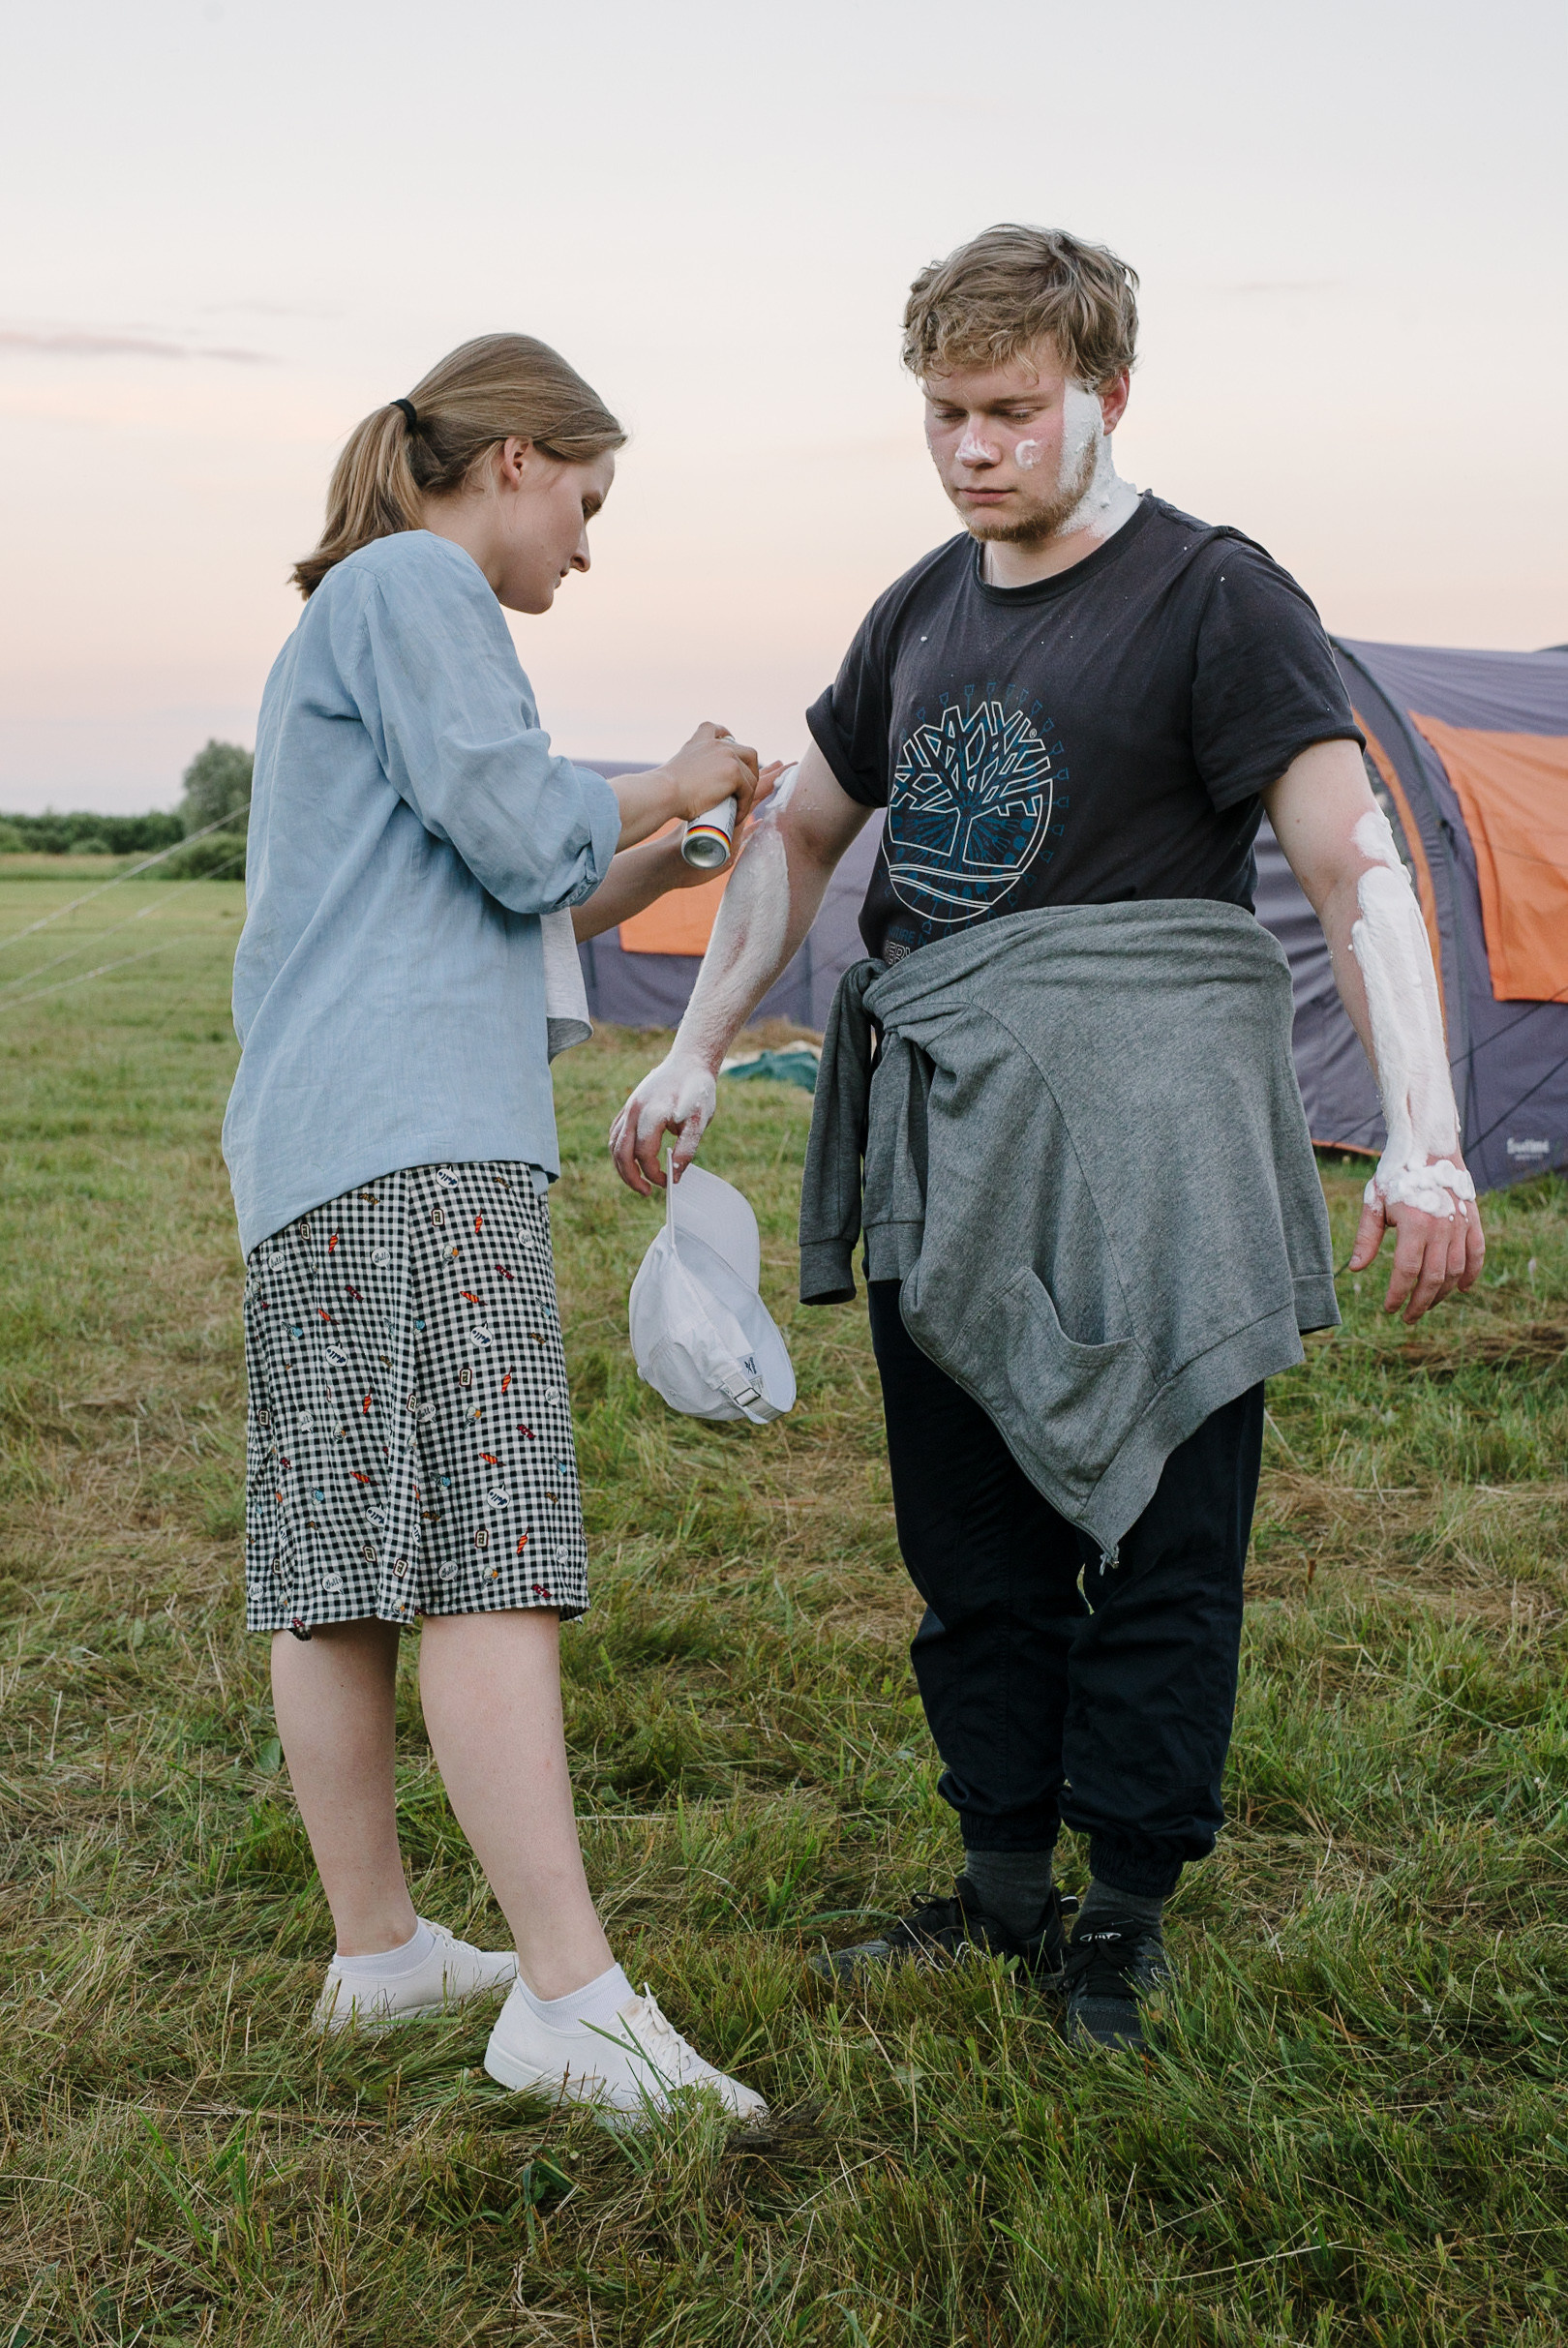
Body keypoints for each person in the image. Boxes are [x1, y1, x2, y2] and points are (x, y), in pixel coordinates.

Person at [609, 228, 1485, 2054]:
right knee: (974, 1545)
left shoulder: (1213, 594)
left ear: (1109, 393)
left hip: (1149, 1147)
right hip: (952, 1142)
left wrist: (1428, 1139)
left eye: (1012, 410)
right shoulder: (922, 604)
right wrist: (698, 1046)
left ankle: (1125, 1914)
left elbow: (1354, 857)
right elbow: (797, 843)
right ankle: (1001, 1889)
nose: (973, 449)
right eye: (945, 413)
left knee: (1166, 1532)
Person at [226, 332, 772, 2124]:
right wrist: (679, 775)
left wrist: (671, 851)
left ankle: (380, 1955)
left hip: (326, 1151)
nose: (587, 552)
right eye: (590, 504)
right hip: (413, 1145)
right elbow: (514, 811)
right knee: (483, 1545)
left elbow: (514, 880)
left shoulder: (369, 614)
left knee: (348, 1560)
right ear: (523, 456)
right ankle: (567, 1996)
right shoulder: (415, 581)